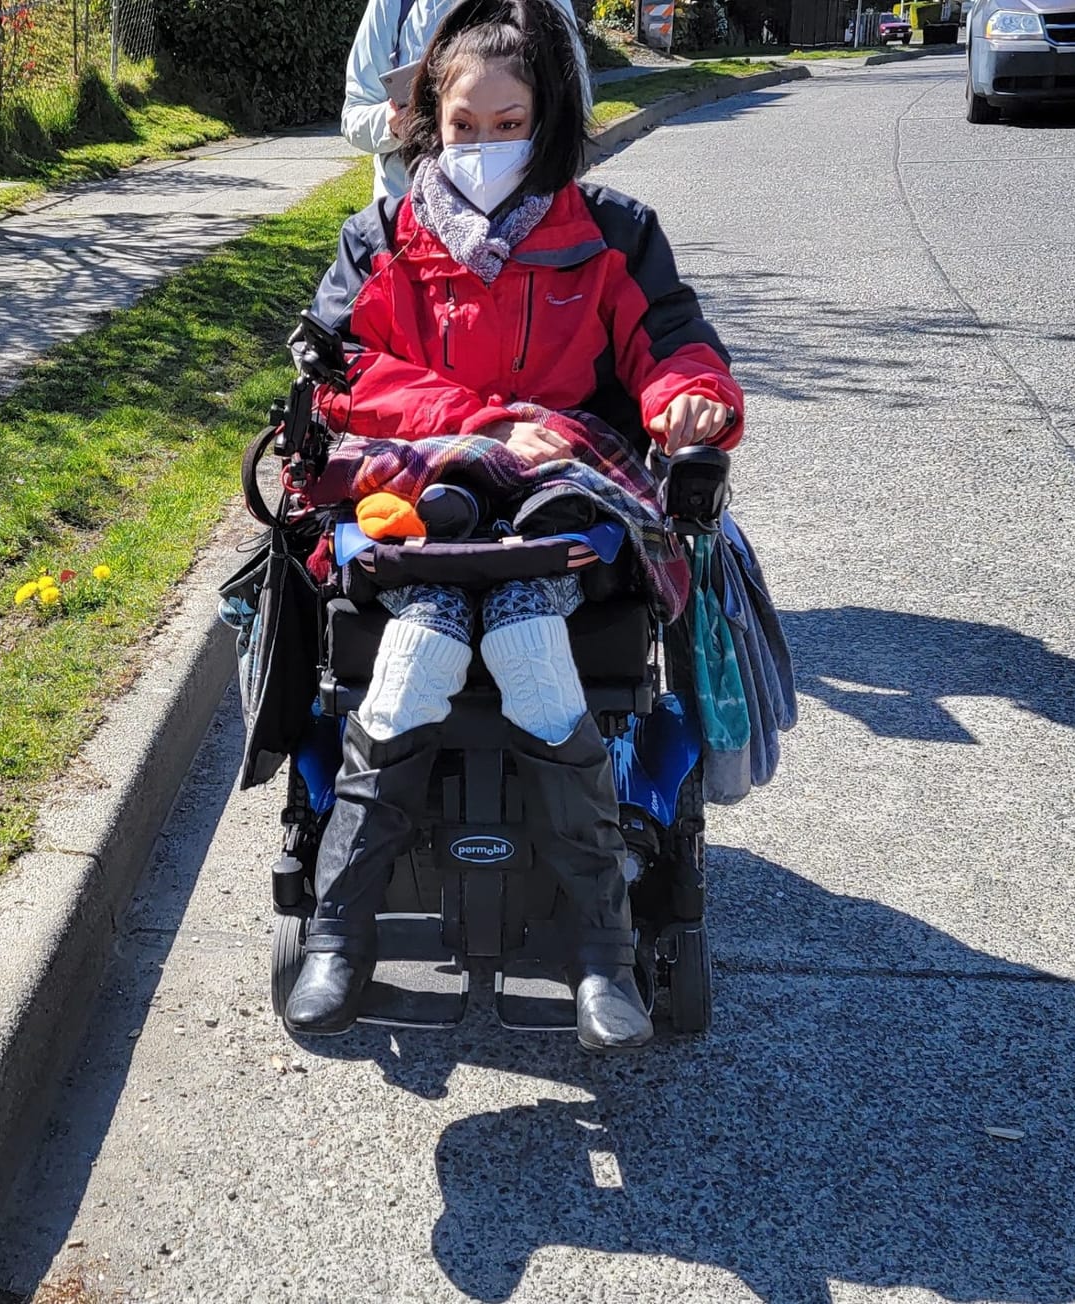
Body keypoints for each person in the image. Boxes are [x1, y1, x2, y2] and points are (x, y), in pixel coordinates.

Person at [287, 0, 744, 1051]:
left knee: (535, 654)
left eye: (511, 124)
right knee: (403, 669)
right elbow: (341, 371)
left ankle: (601, 955)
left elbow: (673, 344)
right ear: (425, 124)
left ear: (551, 121)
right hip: (424, 493)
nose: (485, 145)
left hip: (560, 504)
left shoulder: (615, 234)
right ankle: (339, 938)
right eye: (464, 125)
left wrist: (691, 399)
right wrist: (487, 421)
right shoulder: (382, 241)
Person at [342, 0, 587, 199]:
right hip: (412, 229)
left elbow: (575, 106)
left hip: (523, 216)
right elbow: (354, 113)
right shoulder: (396, 6)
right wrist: (392, 124)